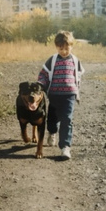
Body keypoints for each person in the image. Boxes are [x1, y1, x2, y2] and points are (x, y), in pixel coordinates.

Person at [37, 30, 85, 160]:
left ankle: (65, 147)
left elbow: (79, 75)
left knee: (67, 120)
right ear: (56, 47)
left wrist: (76, 91)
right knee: (52, 119)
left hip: (69, 95)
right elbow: (44, 74)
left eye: (67, 48)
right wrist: (41, 84)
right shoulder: (52, 60)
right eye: (60, 48)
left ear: (72, 46)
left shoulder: (75, 61)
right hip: (54, 95)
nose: (64, 51)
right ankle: (52, 132)